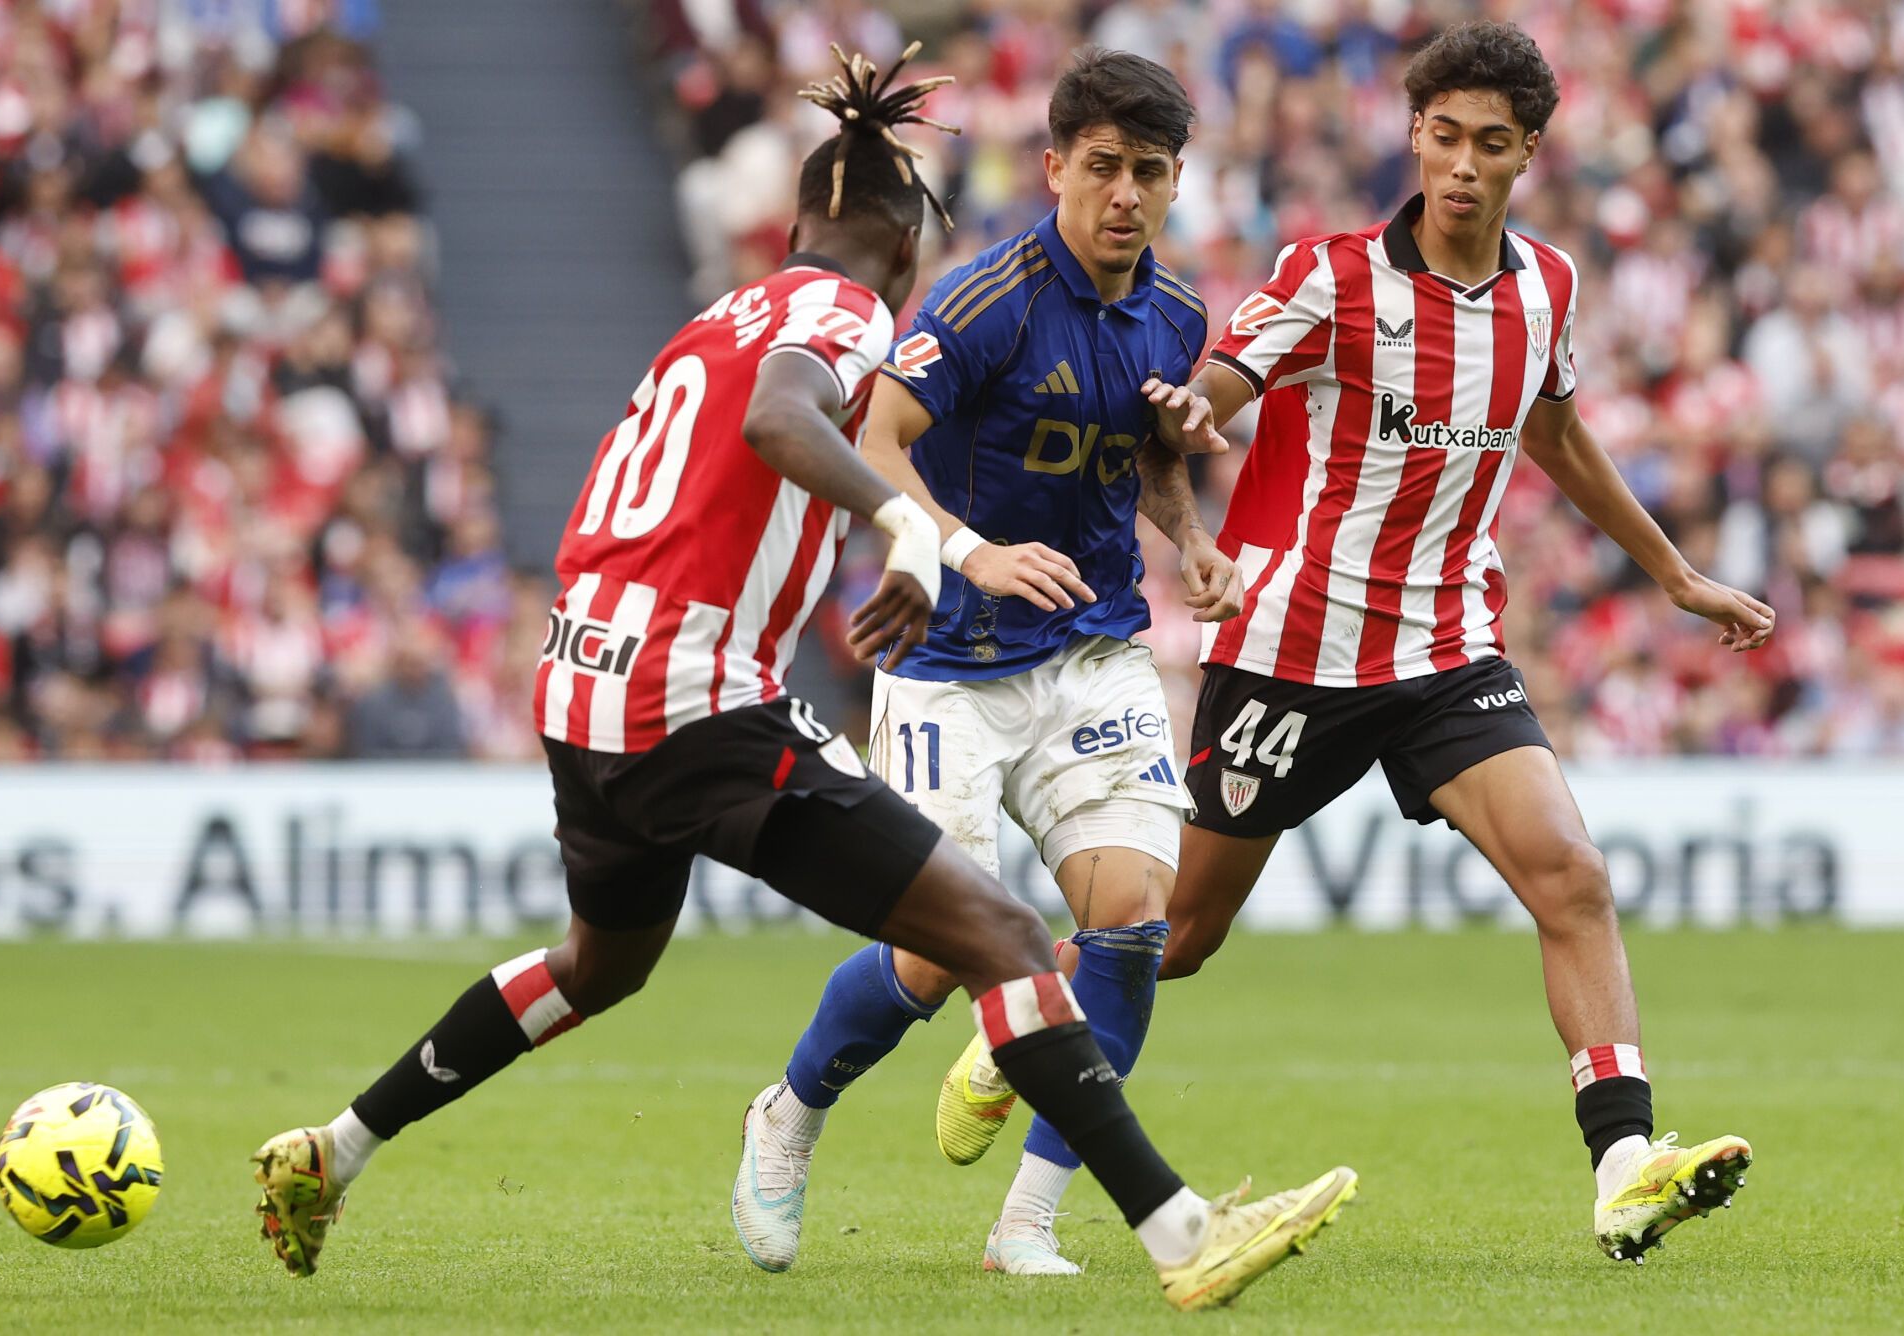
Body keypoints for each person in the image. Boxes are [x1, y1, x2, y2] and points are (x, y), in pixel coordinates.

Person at [250, 47, 1355, 1312]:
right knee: (998, 936)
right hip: (693, 695)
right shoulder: (843, 314)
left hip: (580, 681)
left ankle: (337, 1147)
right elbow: (786, 421)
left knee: (597, 967)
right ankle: (1176, 1232)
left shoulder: (711, 320)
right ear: (896, 248)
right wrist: (920, 535)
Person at [1137, 21, 1767, 1263]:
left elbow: (1559, 435)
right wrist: (1190, 413)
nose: (1462, 165)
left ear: (1527, 152)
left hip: (1442, 647)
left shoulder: (1547, 288)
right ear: (1412, 137)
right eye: (1441, 138)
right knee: (1179, 939)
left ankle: (1624, 1162)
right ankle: (1010, 999)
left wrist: (1677, 576)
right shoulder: (1328, 276)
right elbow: (1221, 382)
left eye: (1490, 143)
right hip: (1289, 652)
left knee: (1569, 875)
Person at [731, 48, 1266, 1279]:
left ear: (1174, 180)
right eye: (1098, 168)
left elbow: (1150, 447)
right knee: (934, 953)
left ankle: (1025, 1220)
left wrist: (1188, 538)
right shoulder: (984, 300)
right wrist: (971, 551)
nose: (1121, 193)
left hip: (1091, 652)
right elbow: (879, 436)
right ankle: (790, 1110)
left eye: (1144, 171)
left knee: (1131, 925)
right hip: (950, 662)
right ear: (1052, 170)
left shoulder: (1177, 313)